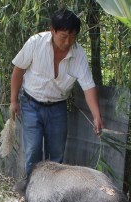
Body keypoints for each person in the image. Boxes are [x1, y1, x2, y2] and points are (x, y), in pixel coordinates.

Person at [10, 9, 104, 176]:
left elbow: (88, 86)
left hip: (58, 108)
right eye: (63, 36)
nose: (68, 42)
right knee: (33, 153)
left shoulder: (79, 55)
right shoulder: (35, 43)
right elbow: (18, 70)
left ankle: (51, 196)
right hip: (31, 104)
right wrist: (14, 100)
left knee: (57, 156)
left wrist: (96, 116)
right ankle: (31, 196)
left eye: (72, 36)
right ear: (52, 30)